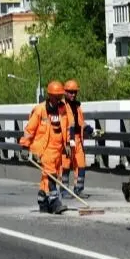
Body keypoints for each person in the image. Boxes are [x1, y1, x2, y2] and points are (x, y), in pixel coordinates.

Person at [19, 80, 72, 214]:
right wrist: (25, 146)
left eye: (60, 96)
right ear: (50, 96)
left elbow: (66, 128)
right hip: (44, 148)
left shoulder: (63, 109)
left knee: (50, 176)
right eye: (56, 96)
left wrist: (67, 144)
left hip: (58, 149)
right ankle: (55, 202)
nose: (59, 99)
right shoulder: (40, 110)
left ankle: (42, 201)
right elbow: (29, 130)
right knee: (50, 174)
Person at [61, 79, 102, 198]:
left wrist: (91, 130)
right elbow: (65, 126)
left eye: (74, 92)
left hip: (78, 139)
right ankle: (64, 190)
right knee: (66, 165)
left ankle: (79, 189)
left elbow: (80, 122)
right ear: (65, 92)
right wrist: (68, 141)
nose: (73, 94)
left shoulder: (77, 107)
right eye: (70, 92)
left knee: (81, 164)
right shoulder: (63, 107)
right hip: (68, 140)